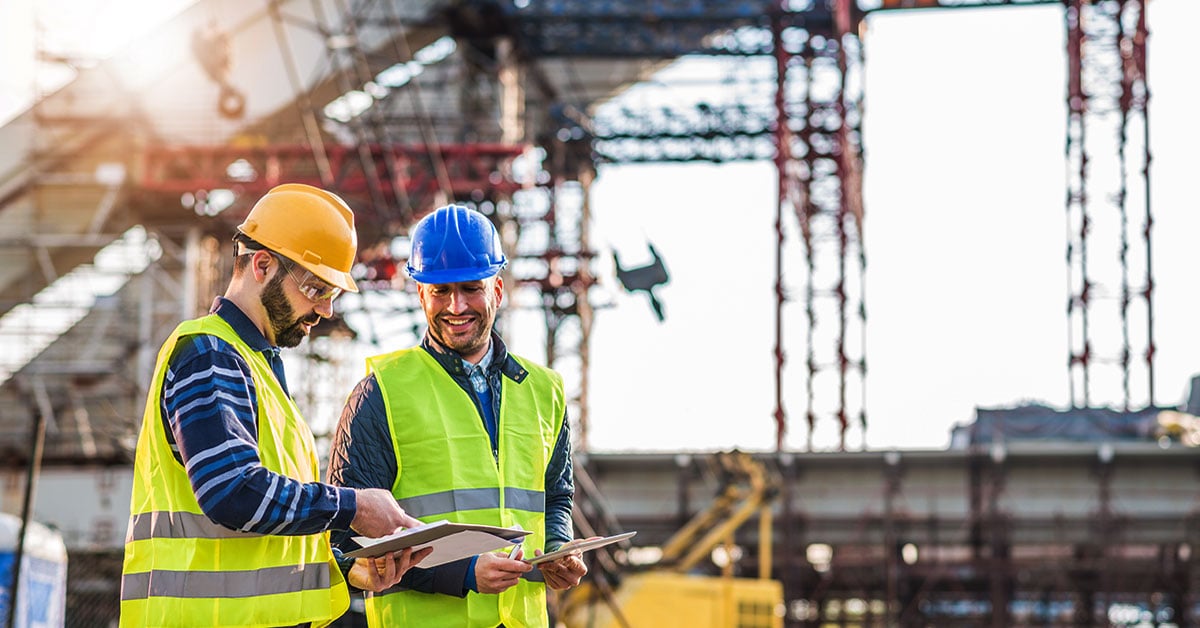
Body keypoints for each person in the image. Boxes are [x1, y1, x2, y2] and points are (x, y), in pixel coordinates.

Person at [120, 183, 431, 627]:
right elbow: (231, 492)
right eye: (316, 289)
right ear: (262, 265)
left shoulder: (256, 367)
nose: (325, 311)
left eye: (332, 294)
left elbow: (262, 544)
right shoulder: (210, 354)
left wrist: (347, 569)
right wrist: (355, 508)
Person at [327, 204, 589, 627]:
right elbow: (348, 540)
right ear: (420, 295)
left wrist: (559, 549)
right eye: (440, 291)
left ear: (497, 291)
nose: (456, 306)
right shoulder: (381, 394)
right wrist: (462, 573)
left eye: (471, 289)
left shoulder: (546, 390)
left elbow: (556, 495)